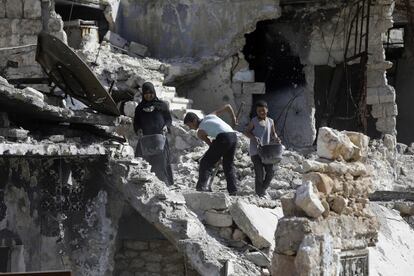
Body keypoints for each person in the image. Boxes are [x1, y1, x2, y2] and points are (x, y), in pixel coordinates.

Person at [184, 105, 238, 195]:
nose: (190, 128)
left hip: (223, 138)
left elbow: (211, 146)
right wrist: (233, 119)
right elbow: (228, 107)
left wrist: (217, 154)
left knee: (205, 162)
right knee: (228, 165)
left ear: (194, 121)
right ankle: (233, 190)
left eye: (190, 125)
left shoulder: (200, 132)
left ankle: (202, 187)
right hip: (233, 136)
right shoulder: (210, 115)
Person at [133, 82, 174, 186]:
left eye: (150, 93)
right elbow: (136, 122)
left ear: (154, 93)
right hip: (145, 140)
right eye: (146, 93)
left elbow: (168, 119)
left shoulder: (162, 105)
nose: (148, 95)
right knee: (142, 162)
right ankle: (143, 184)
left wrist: (166, 126)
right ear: (143, 94)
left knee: (161, 163)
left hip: (160, 139)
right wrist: (138, 129)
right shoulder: (139, 108)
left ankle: (163, 185)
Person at [244, 100, 280, 197]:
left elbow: (273, 134)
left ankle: (262, 189)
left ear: (267, 110)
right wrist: (253, 137)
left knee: (270, 172)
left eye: (263, 110)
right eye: (259, 111)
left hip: (267, 152)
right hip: (255, 152)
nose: (261, 113)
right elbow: (246, 132)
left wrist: (276, 138)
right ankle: (259, 193)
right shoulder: (254, 121)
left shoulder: (271, 121)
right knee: (259, 173)